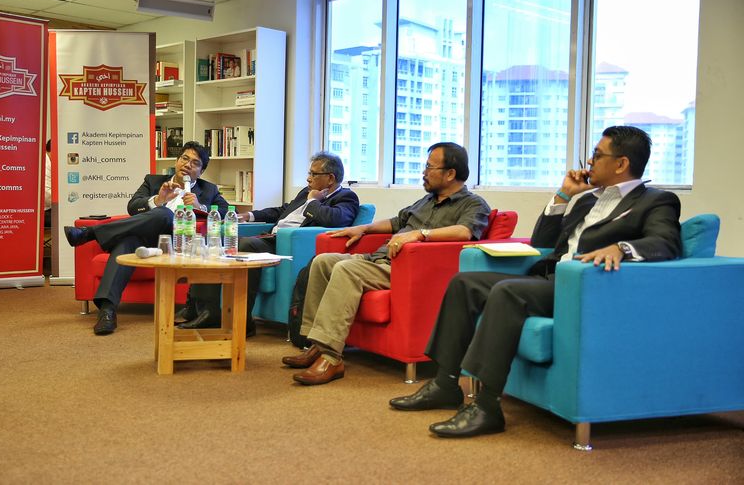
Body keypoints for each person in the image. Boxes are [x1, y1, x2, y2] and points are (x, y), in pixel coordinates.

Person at [389, 126, 682, 438]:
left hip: (584, 288)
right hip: (550, 278)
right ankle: (445, 384)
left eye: (597, 155)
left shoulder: (656, 201)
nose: (589, 162)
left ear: (621, 164)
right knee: (464, 283)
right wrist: (564, 195)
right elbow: (543, 240)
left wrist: (621, 248)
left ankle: (486, 407)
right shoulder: (586, 200)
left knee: (507, 292)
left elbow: (666, 242)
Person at [282, 142, 491, 386]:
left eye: (428, 167)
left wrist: (420, 234)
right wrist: (363, 228)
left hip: (407, 270)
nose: (423, 172)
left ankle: (331, 357)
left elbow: (464, 232)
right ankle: (316, 344)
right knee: (322, 262)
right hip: (379, 261)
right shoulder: (425, 201)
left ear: (450, 173)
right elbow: (395, 222)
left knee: (346, 269)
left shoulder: (473, 204)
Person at [179, 152, 361, 336]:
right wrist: (249, 215)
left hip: (287, 243)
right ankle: (205, 311)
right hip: (270, 238)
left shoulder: (346, 197)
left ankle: (243, 322)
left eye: (314, 174)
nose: (308, 178)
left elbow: (334, 219)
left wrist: (313, 201)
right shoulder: (305, 192)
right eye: (309, 173)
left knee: (245, 245)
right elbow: (282, 210)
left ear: (330, 178)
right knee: (215, 244)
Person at [63, 141, 228, 335]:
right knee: (130, 241)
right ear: (176, 161)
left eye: (195, 163)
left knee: (163, 216)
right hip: (145, 238)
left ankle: (90, 233)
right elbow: (132, 207)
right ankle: (107, 311)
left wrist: (201, 207)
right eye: (184, 158)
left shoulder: (208, 190)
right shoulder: (153, 181)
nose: (188, 164)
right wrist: (158, 200)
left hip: (177, 242)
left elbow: (225, 211)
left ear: (200, 172)